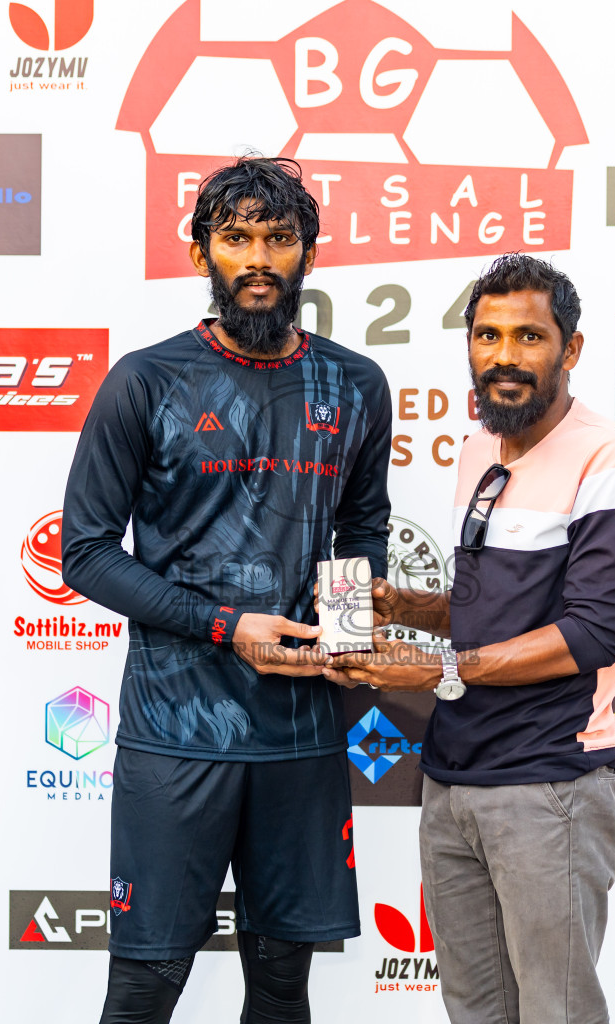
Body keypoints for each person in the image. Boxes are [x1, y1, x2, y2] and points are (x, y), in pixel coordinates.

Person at [60, 155, 393, 1024]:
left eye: (278, 238)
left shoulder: (355, 384)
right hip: (177, 733)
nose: (256, 257)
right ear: (202, 250)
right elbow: (86, 552)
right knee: (143, 987)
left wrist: (351, 634)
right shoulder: (145, 379)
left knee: (283, 989)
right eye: (235, 236)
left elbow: (359, 529)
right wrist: (222, 626)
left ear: (307, 256)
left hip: (301, 734)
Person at [323, 254, 615, 1024]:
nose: (503, 356)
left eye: (529, 336)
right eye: (486, 335)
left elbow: (589, 632)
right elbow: (493, 612)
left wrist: (437, 666)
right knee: (475, 1012)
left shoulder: (613, 459)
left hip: (548, 787)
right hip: (451, 783)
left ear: (570, 350)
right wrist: (401, 603)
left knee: (556, 1013)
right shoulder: (479, 449)